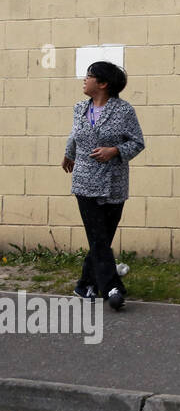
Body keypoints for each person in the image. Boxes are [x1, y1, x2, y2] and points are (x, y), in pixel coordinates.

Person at [60, 61, 146, 311]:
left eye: (89, 76)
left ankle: (85, 284)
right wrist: (69, 154)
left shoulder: (124, 110)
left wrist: (115, 150)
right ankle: (113, 288)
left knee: (102, 239)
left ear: (103, 83)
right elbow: (74, 134)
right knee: (98, 237)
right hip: (85, 182)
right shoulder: (79, 108)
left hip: (114, 183)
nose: (83, 80)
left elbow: (138, 142)